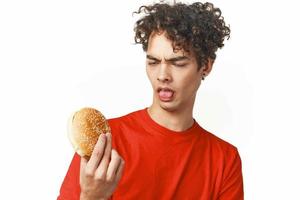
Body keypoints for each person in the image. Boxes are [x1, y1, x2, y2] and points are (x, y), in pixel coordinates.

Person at [57, 1, 244, 199]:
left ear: (205, 66)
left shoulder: (225, 159)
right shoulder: (104, 142)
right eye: (153, 62)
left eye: (178, 63)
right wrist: (91, 196)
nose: (162, 75)